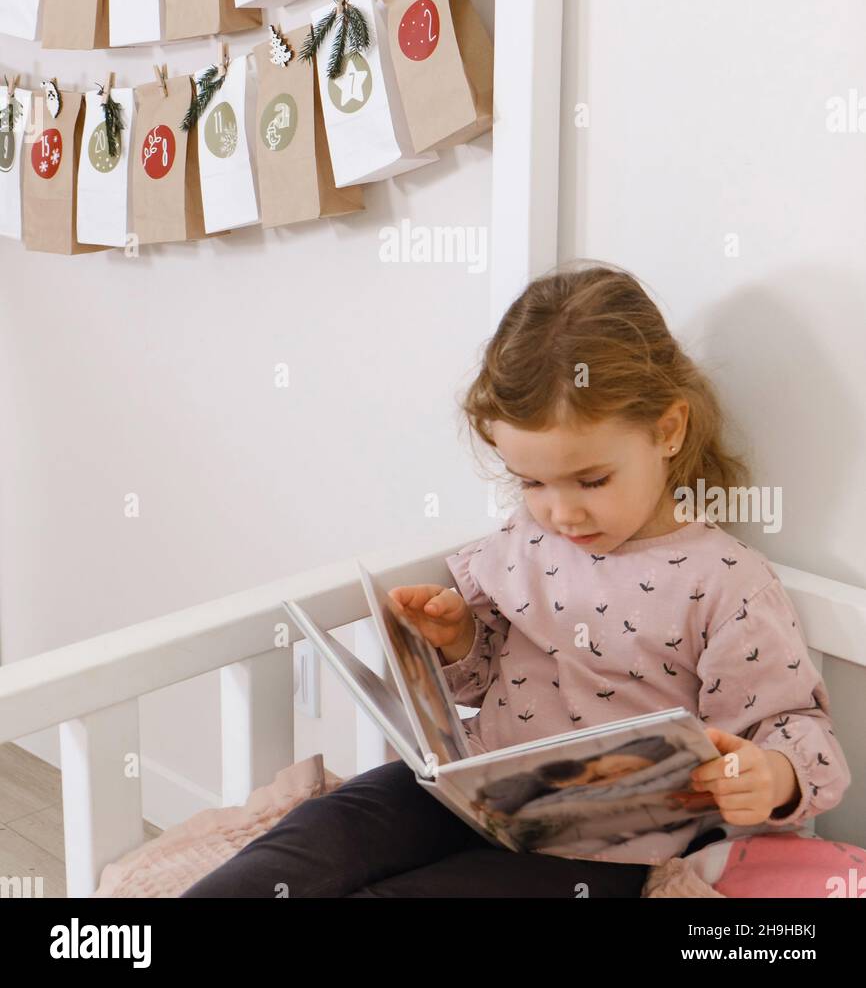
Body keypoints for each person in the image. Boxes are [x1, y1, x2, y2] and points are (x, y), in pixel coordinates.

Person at [181, 261, 851, 897]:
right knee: (311, 840)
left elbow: (793, 726)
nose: (561, 511)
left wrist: (772, 774)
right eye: (531, 482)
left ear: (668, 429)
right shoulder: (522, 540)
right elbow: (478, 682)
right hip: (466, 793)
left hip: (598, 851)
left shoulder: (726, 582)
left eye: (592, 479)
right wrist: (458, 637)